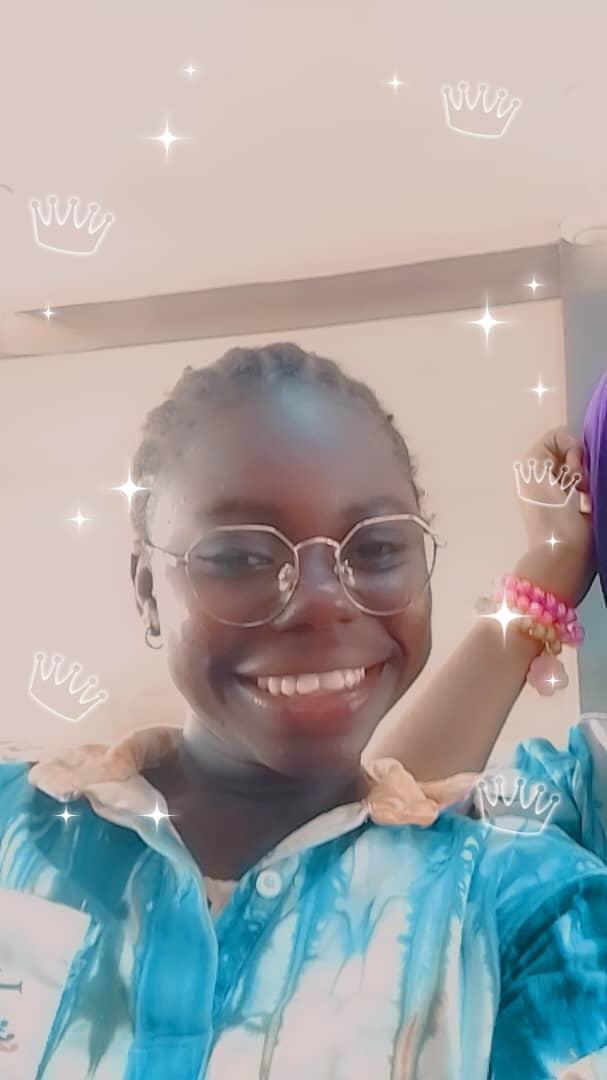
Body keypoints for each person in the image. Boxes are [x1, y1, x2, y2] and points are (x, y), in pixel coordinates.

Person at [2, 343, 607, 1079]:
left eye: (376, 548)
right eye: (238, 557)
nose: (321, 599)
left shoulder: (534, 910)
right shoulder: (22, 833)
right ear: (146, 590)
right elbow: (400, 804)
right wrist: (546, 569)